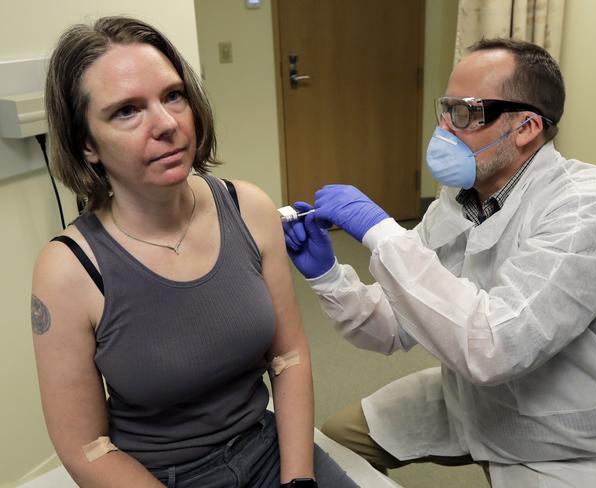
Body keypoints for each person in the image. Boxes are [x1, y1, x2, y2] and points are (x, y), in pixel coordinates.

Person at [283, 38, 596, 487]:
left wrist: (383, 234)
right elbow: (394, 325)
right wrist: (329, 276)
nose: (442, 129)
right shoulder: (457, 202)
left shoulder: (588, 209)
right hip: (474, 402)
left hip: (572, 441)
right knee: (338, 441)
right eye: (445, 109)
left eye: (465, 113)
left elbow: (494, 347)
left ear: (526, 127)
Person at [31, 16, 358, 488]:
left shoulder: (248, 207)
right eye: (126, 111)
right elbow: (87, 449)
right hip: (163, 477)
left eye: (173, 95)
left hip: (267, 447)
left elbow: (288, 356)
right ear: (86, 144)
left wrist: (299, 480)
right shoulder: (67, 271)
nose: (166, 124)